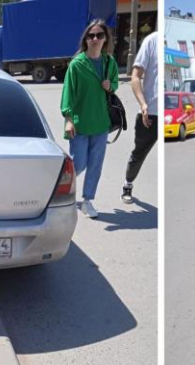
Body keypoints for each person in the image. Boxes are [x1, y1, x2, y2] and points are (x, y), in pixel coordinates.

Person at [60, 19, 118, 219]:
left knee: (95, 164)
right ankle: (56, 187)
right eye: (91, 35)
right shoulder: (77, 65)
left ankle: (87, 200)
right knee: (80, 163)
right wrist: (68, 118)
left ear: (105, 39)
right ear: (85, 39)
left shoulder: (109, 62)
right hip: (80, 123)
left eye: (99, 35)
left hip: (101, 123)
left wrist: (109, 86)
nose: (95, 39)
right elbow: (68, 92)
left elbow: (116, 85)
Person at [122, 31, 157, 204]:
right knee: (139, 153)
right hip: (151, 114)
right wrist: (143, 104)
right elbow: (135, 77)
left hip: (170, 114)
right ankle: (128, 183)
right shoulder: (151, 41)